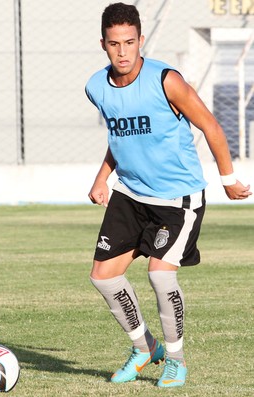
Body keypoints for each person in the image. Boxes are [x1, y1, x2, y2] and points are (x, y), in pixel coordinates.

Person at [85, 2, 252, 388]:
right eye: (114, 44)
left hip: (178, 200)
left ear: (141, 40)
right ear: (103, 45)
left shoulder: (166, 79)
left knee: (160, 276)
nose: (123, 52)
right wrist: (102, 178)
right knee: (104, 277)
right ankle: (145, 348)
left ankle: (176, 360)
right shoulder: (96, 86)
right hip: (131, 195)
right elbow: (120, 137)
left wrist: (227, 178)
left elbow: (210, 125)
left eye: (130, 42)